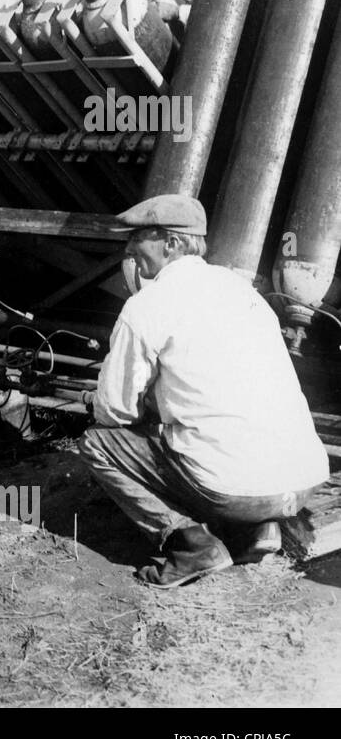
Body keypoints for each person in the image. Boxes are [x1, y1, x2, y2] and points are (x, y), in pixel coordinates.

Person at [78, 195, 328, 588]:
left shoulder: (148, 305)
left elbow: (115, 412)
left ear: (172, 243)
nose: (128, 248)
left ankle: (192, 544)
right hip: (300, 483)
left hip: (230, 489)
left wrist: (114, 403)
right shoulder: (245, 293)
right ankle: (258, 531)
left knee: (97, 443)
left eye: (139, 236)